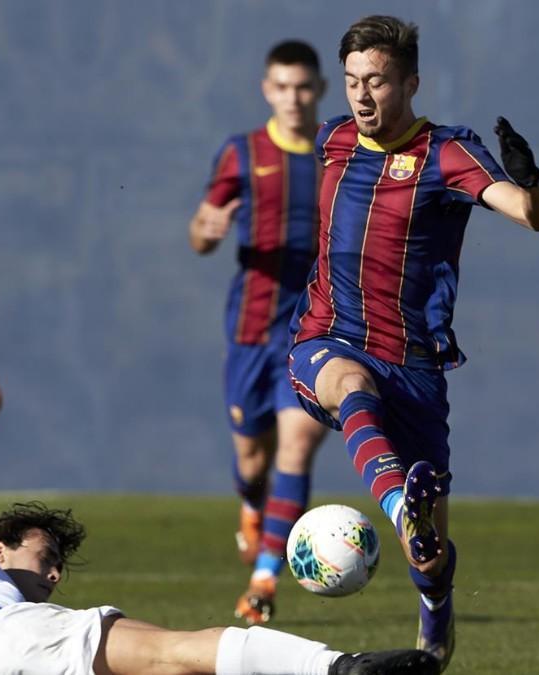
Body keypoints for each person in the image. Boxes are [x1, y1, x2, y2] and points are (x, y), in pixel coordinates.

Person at [285, 16, 539, 673]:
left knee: (431, 556)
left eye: (375, 80)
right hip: (327, 339)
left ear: (410, 81)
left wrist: (533, 182)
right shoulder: (334, 141)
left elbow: (533, 217)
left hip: (412, 367)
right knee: (348, 385)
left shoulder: (447, 153)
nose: (361, 95)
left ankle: (434, 613)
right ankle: (399, 510)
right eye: (351, 81)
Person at [0, 341, 438, 675]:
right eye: (44, 554)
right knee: (181, 651)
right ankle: (341, 669)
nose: (54, 571)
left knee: (175, 664)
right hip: (13, 646)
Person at [187, 40, 330, 625]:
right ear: (267, 90)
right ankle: (251, 504)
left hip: (319, 331)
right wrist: (208, 228)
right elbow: (199, 232)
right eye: (282, 86)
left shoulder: (337, 151)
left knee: (296, 446)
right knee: (253, 459)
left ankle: (265, 580)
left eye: (303, 87)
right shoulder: (243, 153)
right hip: (251, 329)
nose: (293, 97)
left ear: (319, 90)